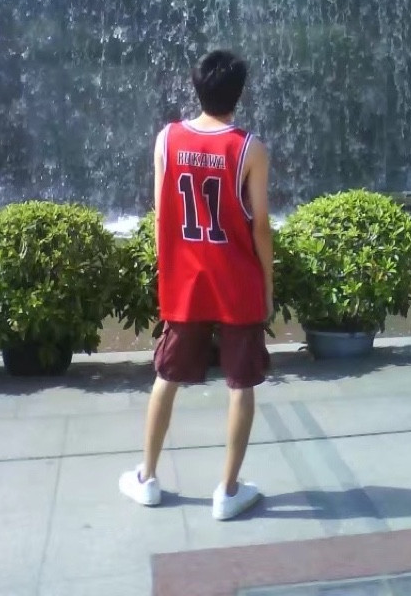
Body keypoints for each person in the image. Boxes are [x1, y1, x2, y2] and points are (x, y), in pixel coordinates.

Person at [119, 50, 274, 521]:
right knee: (240, 384)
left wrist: (166, 272)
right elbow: (261, 227)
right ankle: (228, 491)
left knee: (166, 377)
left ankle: (147, 478)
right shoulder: (250, 148)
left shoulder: (167, 139)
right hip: (237, 281)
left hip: (186, 282)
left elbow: (161, 216)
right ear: (239, 94)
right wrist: (267, 287)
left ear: (196, 87)